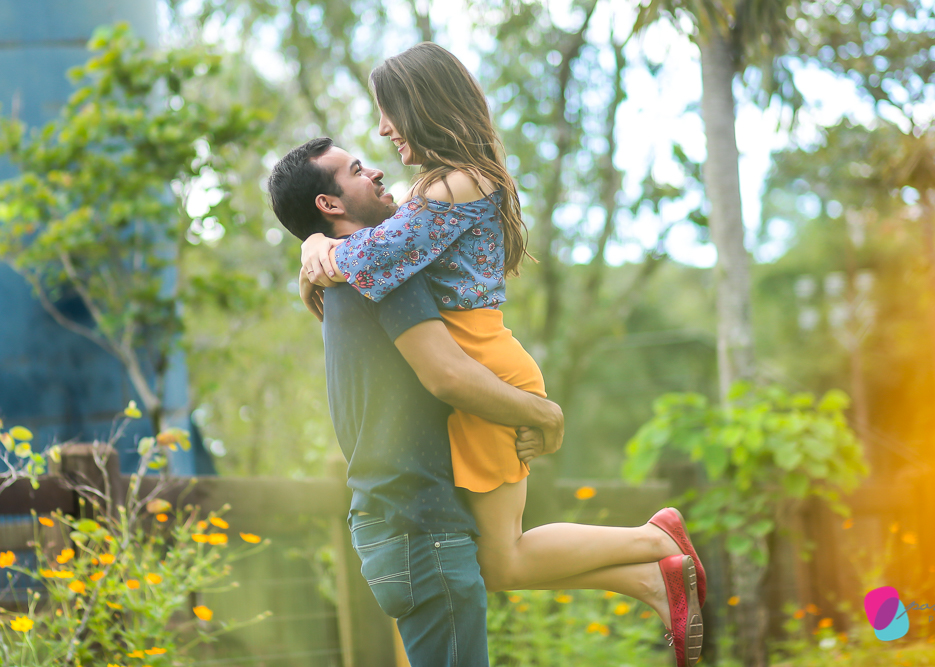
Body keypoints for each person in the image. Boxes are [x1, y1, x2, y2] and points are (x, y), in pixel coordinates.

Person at [294, 44, 704, 667]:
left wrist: (315, 252)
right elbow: (377, 241)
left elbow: (377, 254)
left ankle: (654, 540)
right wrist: (314, 247)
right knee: (497, 561)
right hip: (479, 364)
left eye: (389, 111)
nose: (382, 129)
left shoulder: (458, 183)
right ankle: (652, 578)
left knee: (503, 558)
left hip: (483, 368)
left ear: (423, 104)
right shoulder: (437, 185)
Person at [268, 137, 566, 666]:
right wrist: (543, 414)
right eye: (357, 170)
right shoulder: (383, 273)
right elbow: (448, 375)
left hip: (395, 526)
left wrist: (313, 243)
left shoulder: (344, 278)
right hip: (420, 527)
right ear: (328, 203)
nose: (376, 172)